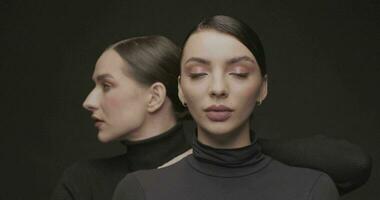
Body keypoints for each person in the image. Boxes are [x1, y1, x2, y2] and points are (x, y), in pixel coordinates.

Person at [52, 35, 371, 200]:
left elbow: (353, 164)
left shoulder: (232, 168)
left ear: (156, 96)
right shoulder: (84, 182)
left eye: (105, 86)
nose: (89, 101)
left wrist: (240, 152)